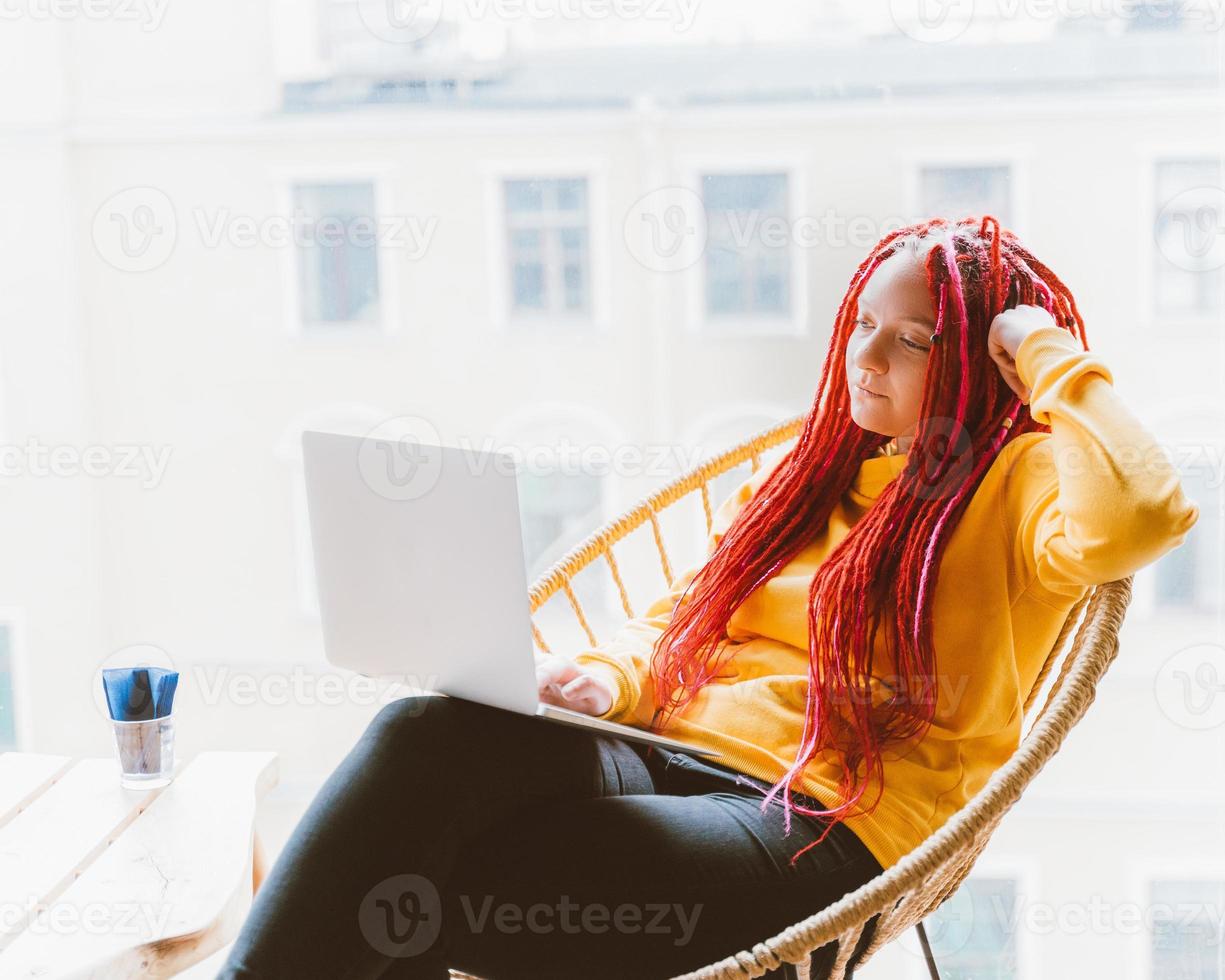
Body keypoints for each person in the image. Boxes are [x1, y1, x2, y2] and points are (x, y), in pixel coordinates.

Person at [218, 216, 1198, 980]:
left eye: (910, 340)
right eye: (861, 324)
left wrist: (1042, 351)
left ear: (982, 365)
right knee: (423, 734)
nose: (867, 357)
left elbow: (1143, 514)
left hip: (820, 820)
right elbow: (679, 627)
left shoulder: (1016, 480)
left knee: (410, 874)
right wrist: (602, 681)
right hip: (666, 753)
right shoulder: (805, 475)